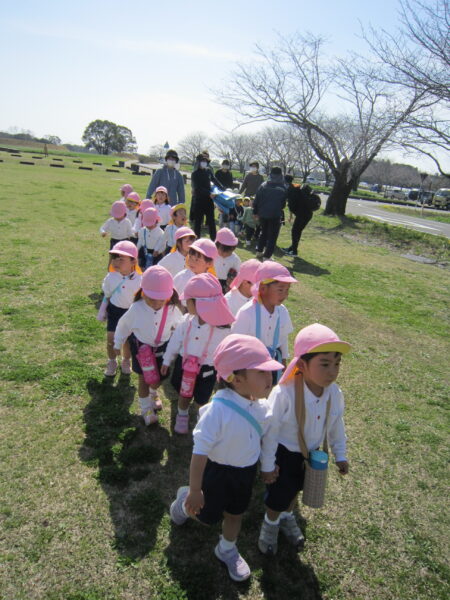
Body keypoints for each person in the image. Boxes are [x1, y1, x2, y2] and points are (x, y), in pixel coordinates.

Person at [169, 333, 283, 582]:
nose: (270, 378)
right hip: (216, 473)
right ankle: (183, 502)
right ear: (237, 380)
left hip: (244, 473)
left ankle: (227, 549)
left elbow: (265, 439)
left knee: (236, 513)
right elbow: (199, 453)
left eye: (269, 371)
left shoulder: (262, 408)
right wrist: (196, 489)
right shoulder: (217, 412)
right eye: (261, 373)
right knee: (205, 515)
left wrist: (266, 467)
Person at [258, 323, 351, 555]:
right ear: (302, 364)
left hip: (310, 454)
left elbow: (336, 423)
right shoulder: (285, 393)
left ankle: (288, 517)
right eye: (325, 364)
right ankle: (269, 526)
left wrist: (340, 454)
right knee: (278, 496)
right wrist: (268, 465)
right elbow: (270, 431)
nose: (333, 371)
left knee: (295, 490)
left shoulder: (334, 393)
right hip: (284, 454)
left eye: (337, 364)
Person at [161, 273, 235, 434]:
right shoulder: (186, 321)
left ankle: (199, 413)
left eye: (189, 300)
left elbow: (225, 352)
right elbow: (175, 342)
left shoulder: (222, 329)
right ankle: (182, 415)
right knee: (184, 393)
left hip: (207, 369)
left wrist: (226, 372)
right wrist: (167, 360)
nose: (185, 303)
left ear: (201, 304)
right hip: (185, 364)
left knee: (202, 397)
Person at [114, 266, 183, 425]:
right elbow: (123, 326)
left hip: (162, 350)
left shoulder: (172, 308)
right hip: (142, 350)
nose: (157, 303)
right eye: (152, 298)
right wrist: (118, 342)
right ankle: (146, 409)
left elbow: (181, 326)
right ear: (143, 292)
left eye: (162, 298)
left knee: (158, 378)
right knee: (144, 379)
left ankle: (154, 393)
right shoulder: (136, 308)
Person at [232, 261, 297, 384]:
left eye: (287, 290)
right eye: (280, 290)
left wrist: (283, 360)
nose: (285, 294)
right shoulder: (247, 312)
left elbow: (283, 337)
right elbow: (236, 342)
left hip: (272, 362)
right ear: (262, 288)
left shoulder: (282, 312)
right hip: (248, 364)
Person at [102, 241, 142, 377]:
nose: (116, 262)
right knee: (111, 338)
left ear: (133, 261)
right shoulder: (111, 277)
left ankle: (126, 360)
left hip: (130, 313)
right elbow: (107, 294)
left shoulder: (140, 279)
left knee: (128, 340)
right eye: (114, 258)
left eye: (121, 259)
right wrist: (103, 310)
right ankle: (112, 360)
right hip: (114, 311)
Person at [253, 167, 287, 261]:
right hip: (275, 214)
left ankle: (259, 251)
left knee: (263, 232)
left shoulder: (263, 185)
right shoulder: (283, 187)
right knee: (272, 236)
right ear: (281, 175)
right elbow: (283, 203)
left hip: (263, 214)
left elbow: (257, 199)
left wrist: (255, 212)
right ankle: (267, 256)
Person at [173, 237, 218, 303]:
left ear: (209, 263)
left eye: (197, 260)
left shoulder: (212, 282)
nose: (191, 262)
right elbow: (171, 297)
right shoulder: (181, 277)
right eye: (190, 257)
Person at [191, 153, 224, 240]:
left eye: (205, 161)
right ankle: (197, 241)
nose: (204, 163)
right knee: (198, 222)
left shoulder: (208, 171)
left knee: (211, 221)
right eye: (202, 161)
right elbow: (197, 188)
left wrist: (223, 189)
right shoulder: (195, 174)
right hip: (199, 200)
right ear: (198, 162)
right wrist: (208, 193)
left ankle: (214, 240)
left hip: (209, 201)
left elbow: (215, 180)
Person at [283, 180, 318, 257]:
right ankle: (291, 248)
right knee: (298, 231)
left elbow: (292, 206)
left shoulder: (293, 192)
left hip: (302, 214)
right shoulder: (300, 190)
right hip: (308, 214)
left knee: (295, 232)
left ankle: (294, 252)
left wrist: (291, 213)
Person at [214, 228, 241, 294]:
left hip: (225, 283)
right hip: (212, 279)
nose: (225, 254)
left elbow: (238, 273)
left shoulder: (235, 259)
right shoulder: (213, 254)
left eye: (228, 252)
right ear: (217, 246)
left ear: (232, 249)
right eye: (223, 252)